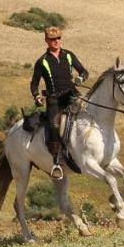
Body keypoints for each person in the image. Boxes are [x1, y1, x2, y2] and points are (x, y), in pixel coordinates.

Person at [30, 26, 89, 180]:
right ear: (46, 40)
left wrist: (80, 79)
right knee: (54, 126)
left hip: (72, 95)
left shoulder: (69, 55)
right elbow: (34, 83)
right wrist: (36, 96)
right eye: (52, 39)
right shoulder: (42, 61)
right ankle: (57, 162)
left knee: (88, 113)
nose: (56, 42)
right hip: (54, 99)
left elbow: (84, 72)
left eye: (58, 39)